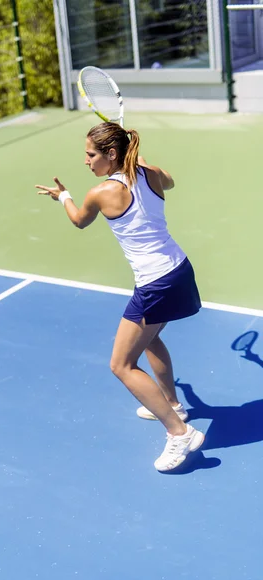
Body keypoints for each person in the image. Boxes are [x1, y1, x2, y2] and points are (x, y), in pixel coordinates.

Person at [35, 122, 204, 472]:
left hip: (155, 283)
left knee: (121, 365)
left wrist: (63, 196)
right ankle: (172, 404)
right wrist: (141, 164)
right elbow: (168, 181)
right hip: (178, 270)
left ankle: (179, 433)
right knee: (150, 338)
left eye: (90, 154)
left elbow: (80, 221)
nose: (86, 161)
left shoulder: (100, 193)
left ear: (111, 154)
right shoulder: (151, 173)